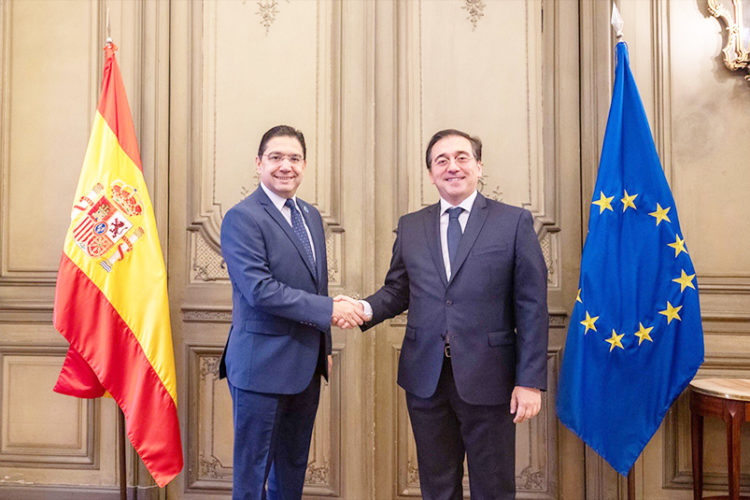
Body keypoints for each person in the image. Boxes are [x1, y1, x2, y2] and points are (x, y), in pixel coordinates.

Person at [341, 129, 548, 499]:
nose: (453, 167)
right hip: (426, 379)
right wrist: (362, 309)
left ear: (479, 166)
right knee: (437, 487)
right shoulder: (411, 226)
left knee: (494, 488)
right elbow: (397, 291)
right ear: (431, 173)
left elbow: (532, 307)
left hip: (491, 378)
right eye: (442, 160)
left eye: (462, 158)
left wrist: (529, 380)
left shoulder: (513, 222)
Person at [219, 125, 365, 499]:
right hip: (260, 369)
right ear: (258, 163)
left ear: (305, 165)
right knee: (253, 476)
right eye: (276, 157)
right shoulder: (242, 217)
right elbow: (259, 290)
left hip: (306, 365)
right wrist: (331, 310)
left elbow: (317, 287)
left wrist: (324, 346)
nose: (286, 166)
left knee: (292, 470)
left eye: (295, 158)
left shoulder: (310, 216)